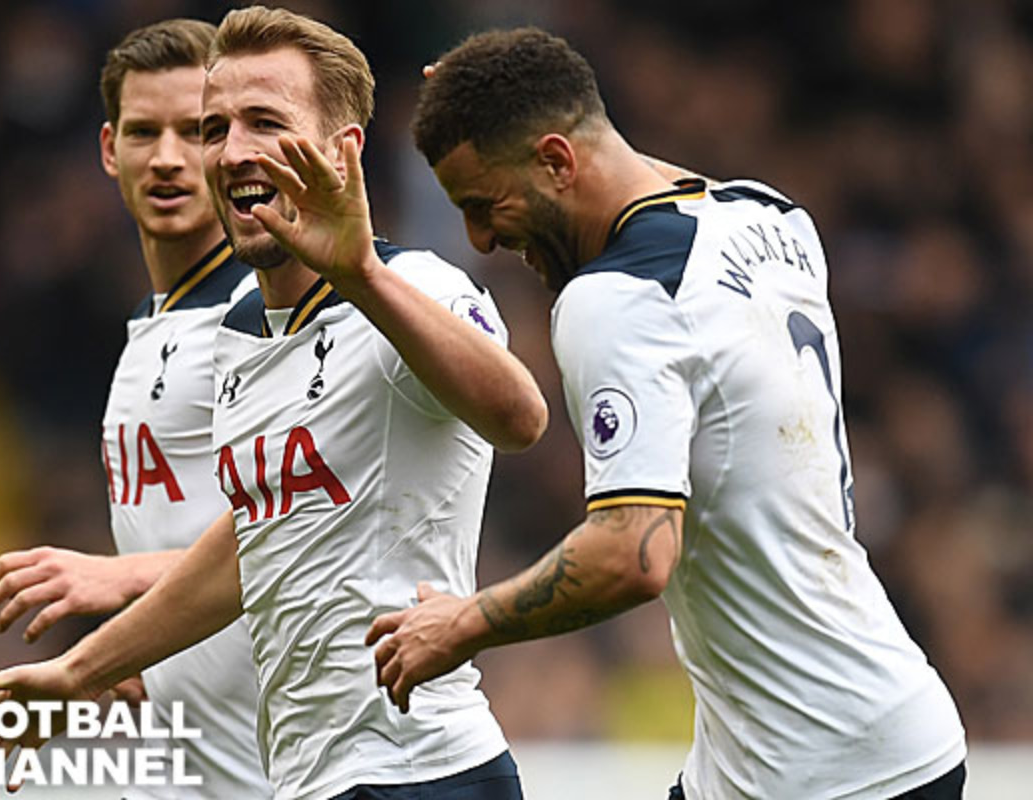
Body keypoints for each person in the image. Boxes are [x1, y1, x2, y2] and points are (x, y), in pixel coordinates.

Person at [0, 7, 546, 800]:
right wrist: (80, 670)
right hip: (308, 778)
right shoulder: (241, 332)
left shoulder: (415, 286)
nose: (229, 151)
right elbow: (253, 547)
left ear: (341, 149)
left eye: (264, 122)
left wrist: (362, 274)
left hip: (419, 769)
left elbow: (520, 418)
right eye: (216, 128)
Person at [367, 27, 968, 799]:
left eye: (485, 205)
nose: (480, 240)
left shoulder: (616, 301)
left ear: (557, 161)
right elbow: (643, 174)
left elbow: (634, 554)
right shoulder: (773, 217)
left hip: (828, 776)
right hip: (840, 740)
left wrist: (464, 623)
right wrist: (496, 87)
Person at [0, 19, 270, 798]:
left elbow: (302, 541)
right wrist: (141, 669)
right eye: (143, 132)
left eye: (194, 132)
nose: (166, 157)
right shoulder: (149, 325)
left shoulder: (272, 319)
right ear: (109, 150)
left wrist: (117, 581)